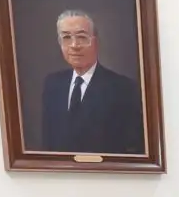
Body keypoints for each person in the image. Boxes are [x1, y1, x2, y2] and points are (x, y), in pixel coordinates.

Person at [36, 10, 145, 155]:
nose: (74, 45)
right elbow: (48, 144)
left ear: (96, 41)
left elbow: (133, 149)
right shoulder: (52, 84)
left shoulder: (123, 88)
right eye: (66, 37)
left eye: (82, 37)